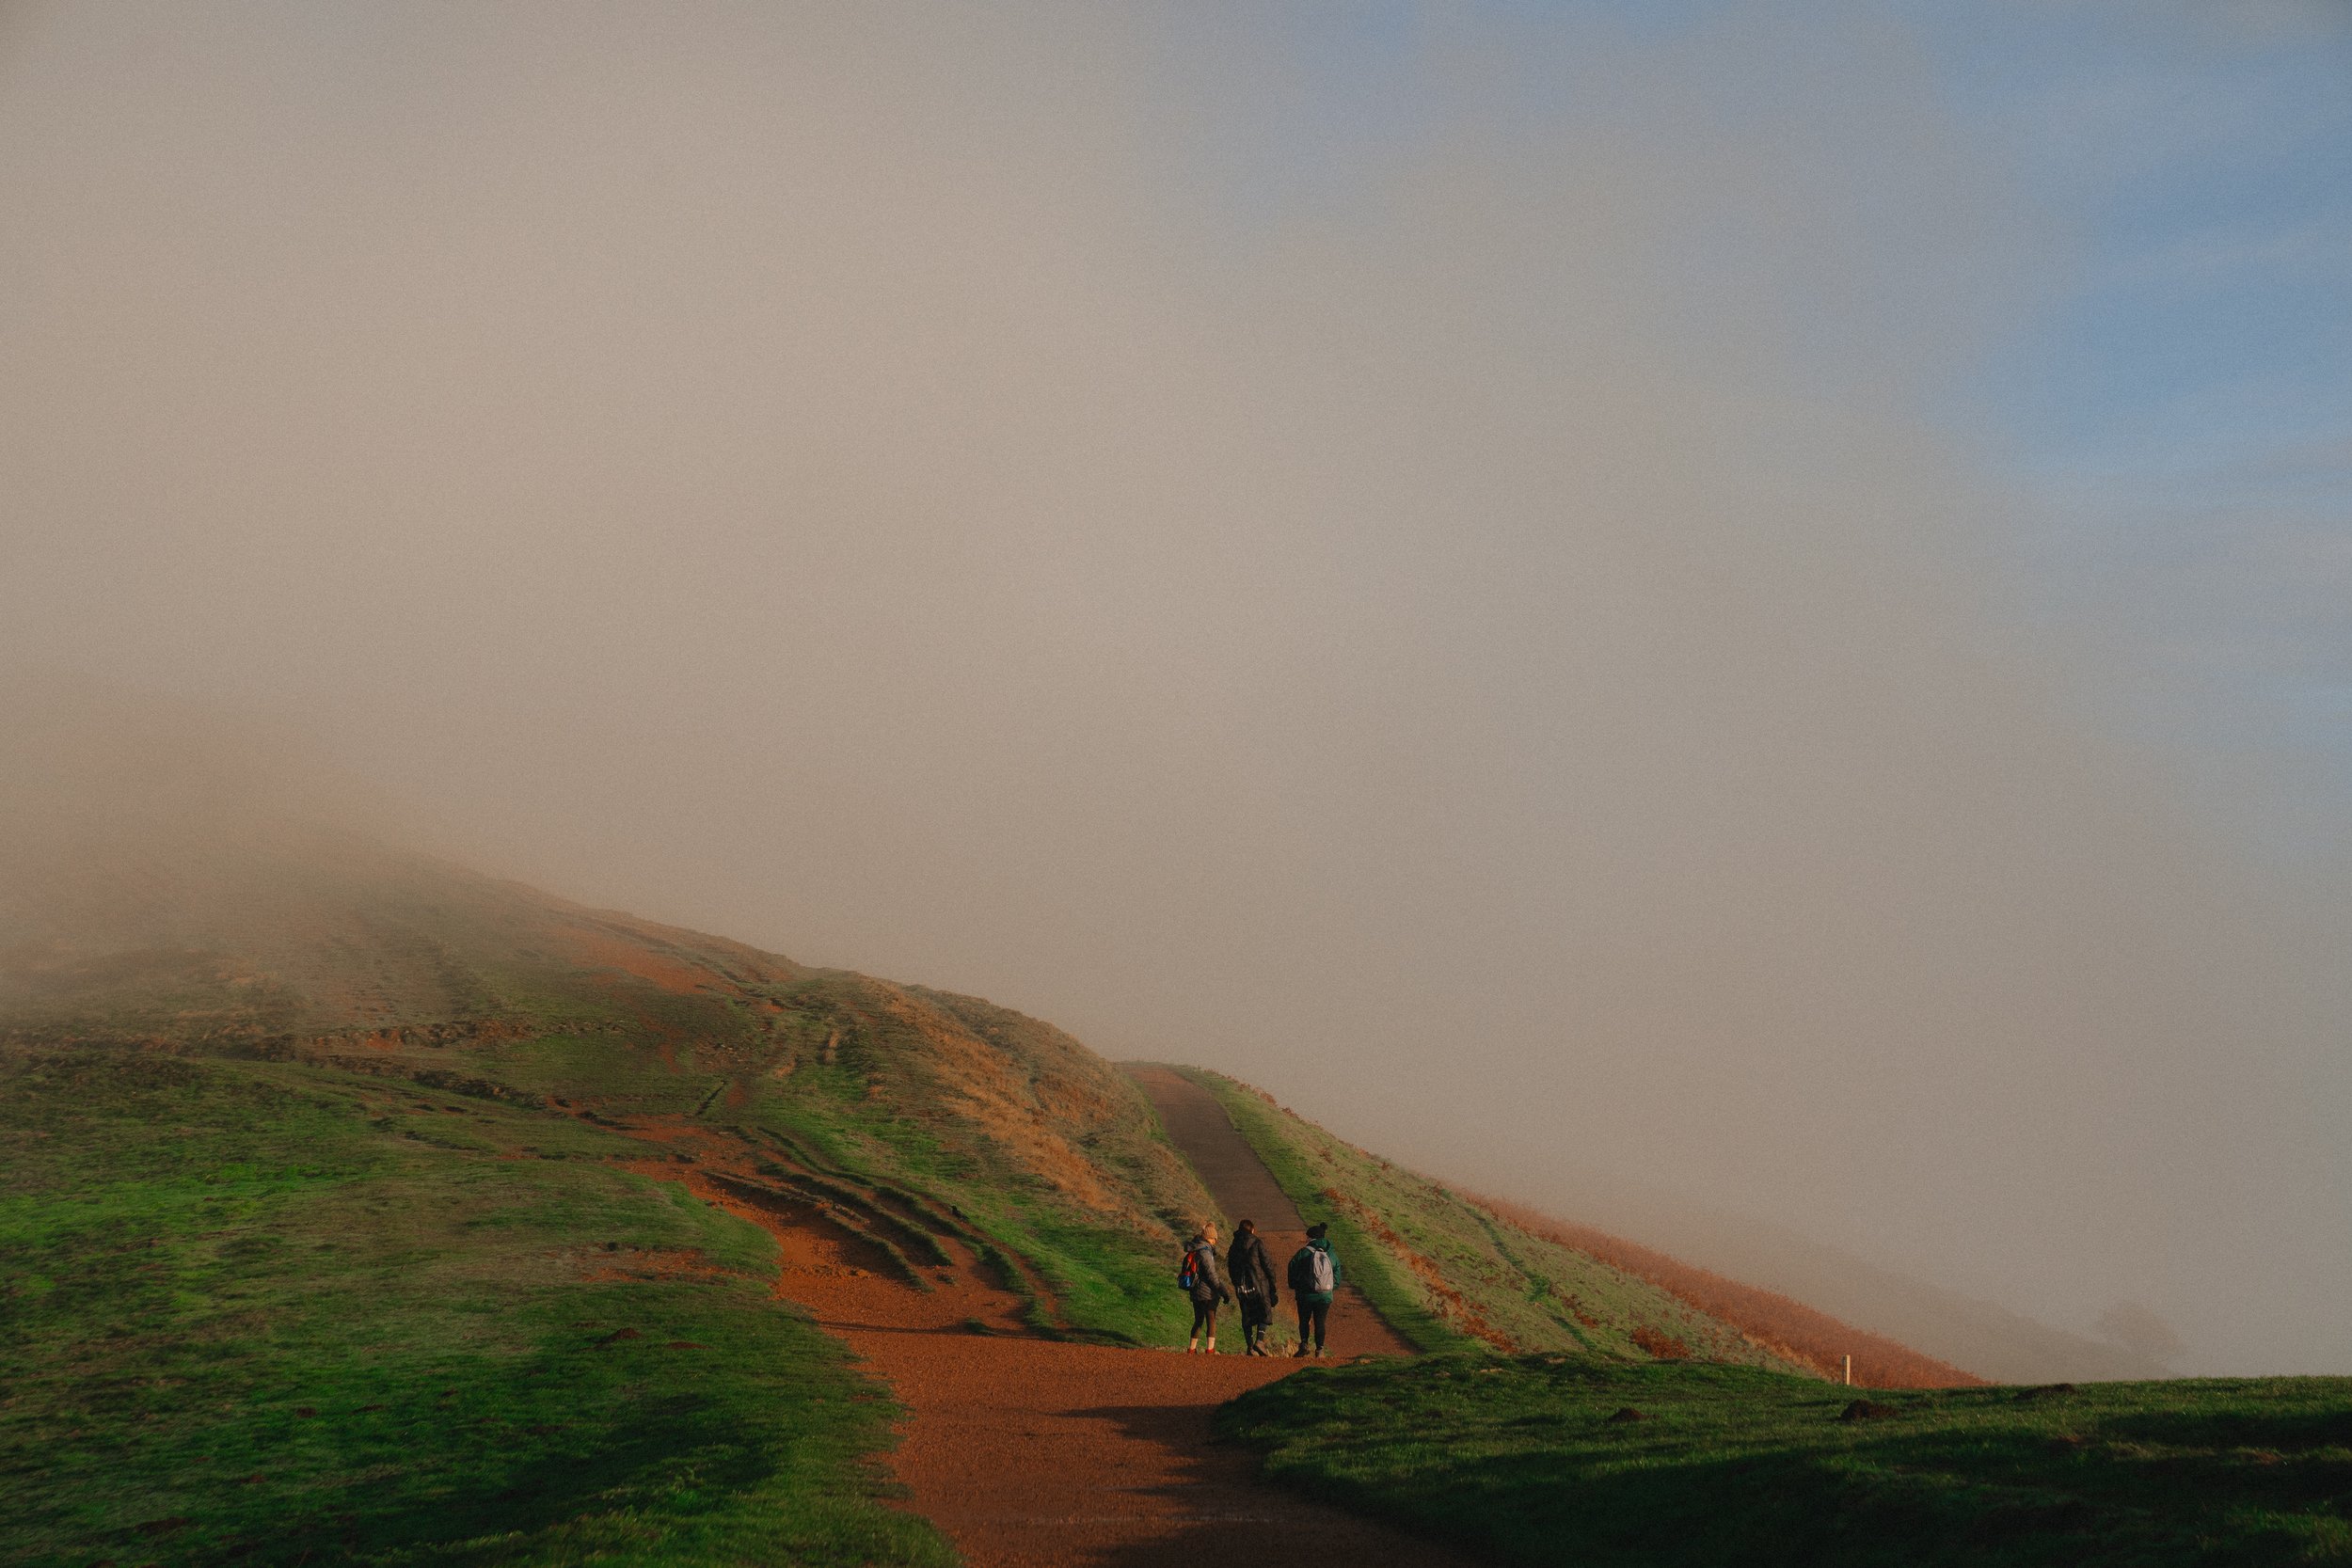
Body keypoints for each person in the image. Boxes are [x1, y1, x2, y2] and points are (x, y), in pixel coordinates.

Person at [1225, 1219, 1280, 1355]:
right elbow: (1267, 1264)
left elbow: (1230, 1267)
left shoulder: (1233, 1246)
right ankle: (1259, 1341)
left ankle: (1249, 1346)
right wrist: (1272, 1284)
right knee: (1264, 1312)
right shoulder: (1257, 1243)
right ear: (1252, 1230)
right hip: (1259, 1284)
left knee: (1247, 1314)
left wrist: (1236, 1282)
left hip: (1242, 1287)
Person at [1287, 1221, 1341, 1357]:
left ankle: (1304, 1344)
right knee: (1320, 1322)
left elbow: (1292, 1267)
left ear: (1311, 1238)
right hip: (1325, 1296)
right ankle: (1320, 1350)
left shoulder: (1303, 1253)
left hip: (1305, 1295)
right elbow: (1337, 1278)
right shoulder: (1332, 1255)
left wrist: (1295, 1285)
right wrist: (1328, 1287)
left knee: (1304, 1320)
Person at [1183, 1222, 1232, 1354]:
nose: (1215, 1241)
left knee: (1198, 1320)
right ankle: (1210, 1350)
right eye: (1214, 1239)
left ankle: (1192, 1349)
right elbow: (1211, 1275)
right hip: (1208, 1292)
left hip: (1195, 1290)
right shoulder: (1205, 1251)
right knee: (1211, 1320)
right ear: (1210, 1238)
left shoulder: (1195, 1248)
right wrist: (1223, 1291)